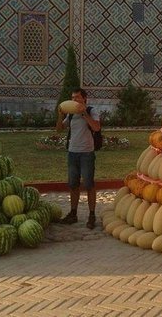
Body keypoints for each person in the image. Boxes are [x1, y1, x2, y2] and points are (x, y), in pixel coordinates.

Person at [56, 88, 101, 229]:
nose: (74, 100)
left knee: (89, 185)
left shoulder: (91, 111)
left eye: (77, 97)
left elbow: (96, 127)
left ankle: (92, 215)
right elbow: (59, 129)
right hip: (72, 153)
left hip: (87, 153)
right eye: (72, 97)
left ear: (84, 99)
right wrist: (60, 115)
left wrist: (83, 114)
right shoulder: (70, 115)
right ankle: (73, 213)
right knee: (73, 185)